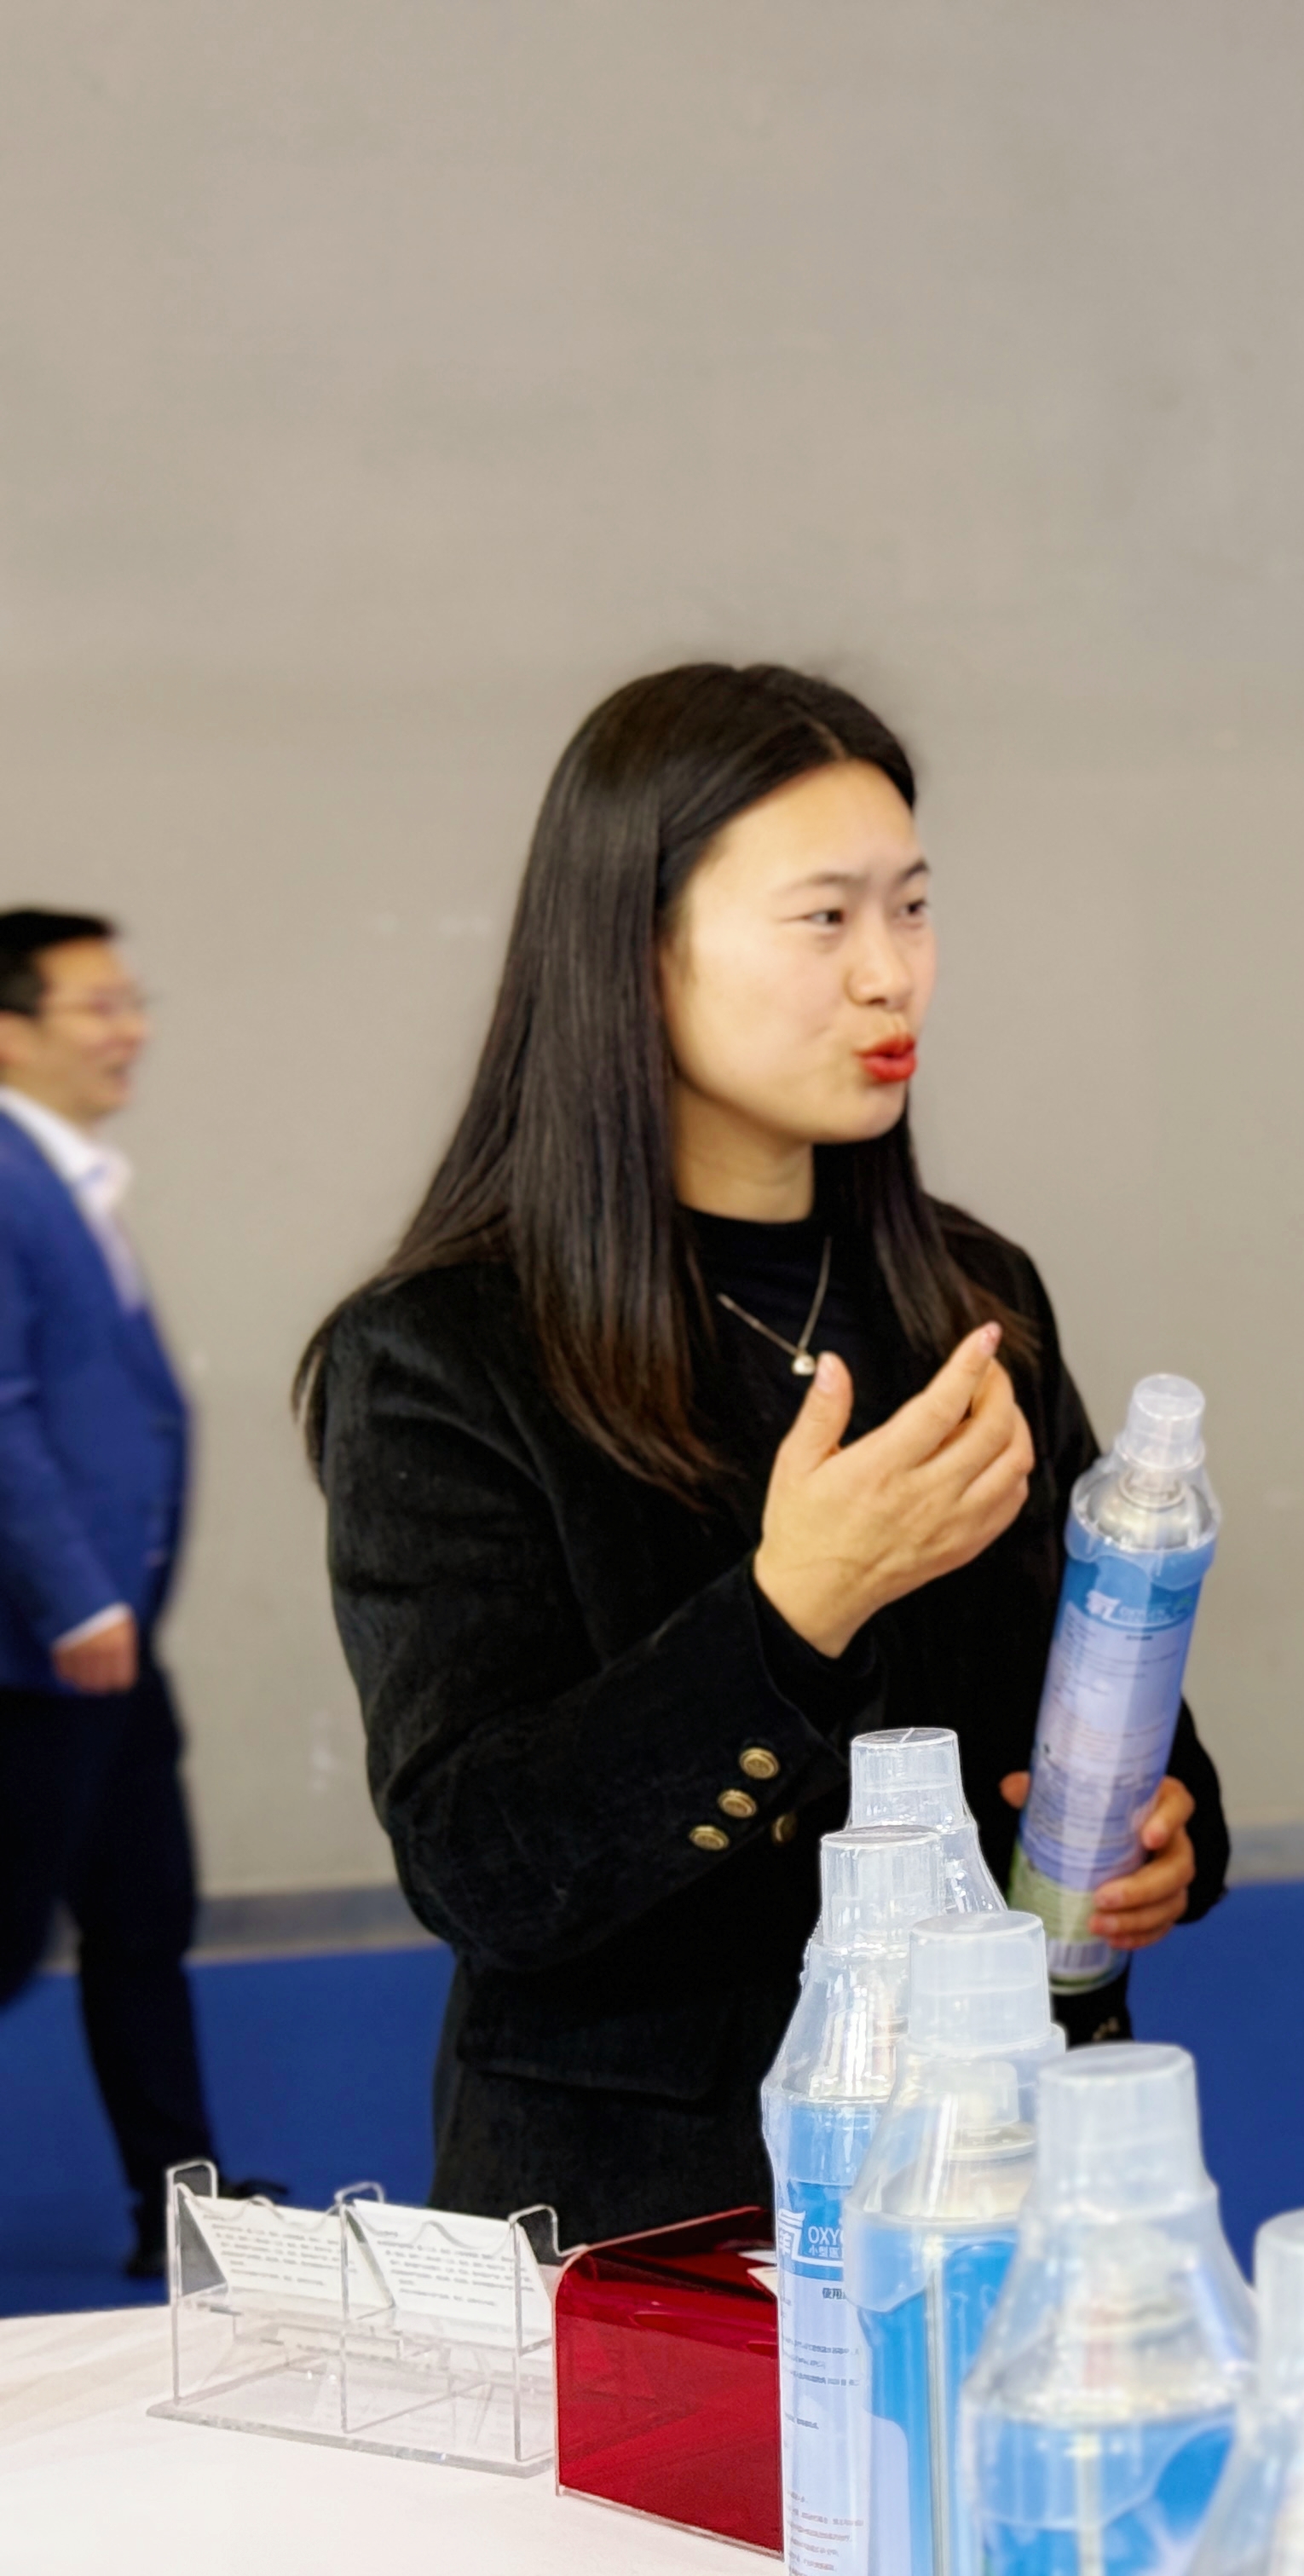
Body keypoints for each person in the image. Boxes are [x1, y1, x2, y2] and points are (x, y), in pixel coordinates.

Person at [299, 665, 1231, 2243]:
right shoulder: (449, 1351)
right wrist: (791, 1611)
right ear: (635, 950)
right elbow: (484, 1870)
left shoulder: (969, 1296)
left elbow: (1097, 1704)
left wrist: (1163, 1835)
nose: (891, 975)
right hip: (654, 2224)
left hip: (997, 2180)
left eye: (913, 909)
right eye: (825, 920)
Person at [0, 910, 278, 2274]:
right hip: (44, 1648)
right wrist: (74, 1601)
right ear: (10, 1031)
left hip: (105, 1637)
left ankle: (177, 2207)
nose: (133, 1031)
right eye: (98, 1007)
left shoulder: (64, 1175)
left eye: (132, 1001)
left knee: (144, 1916)